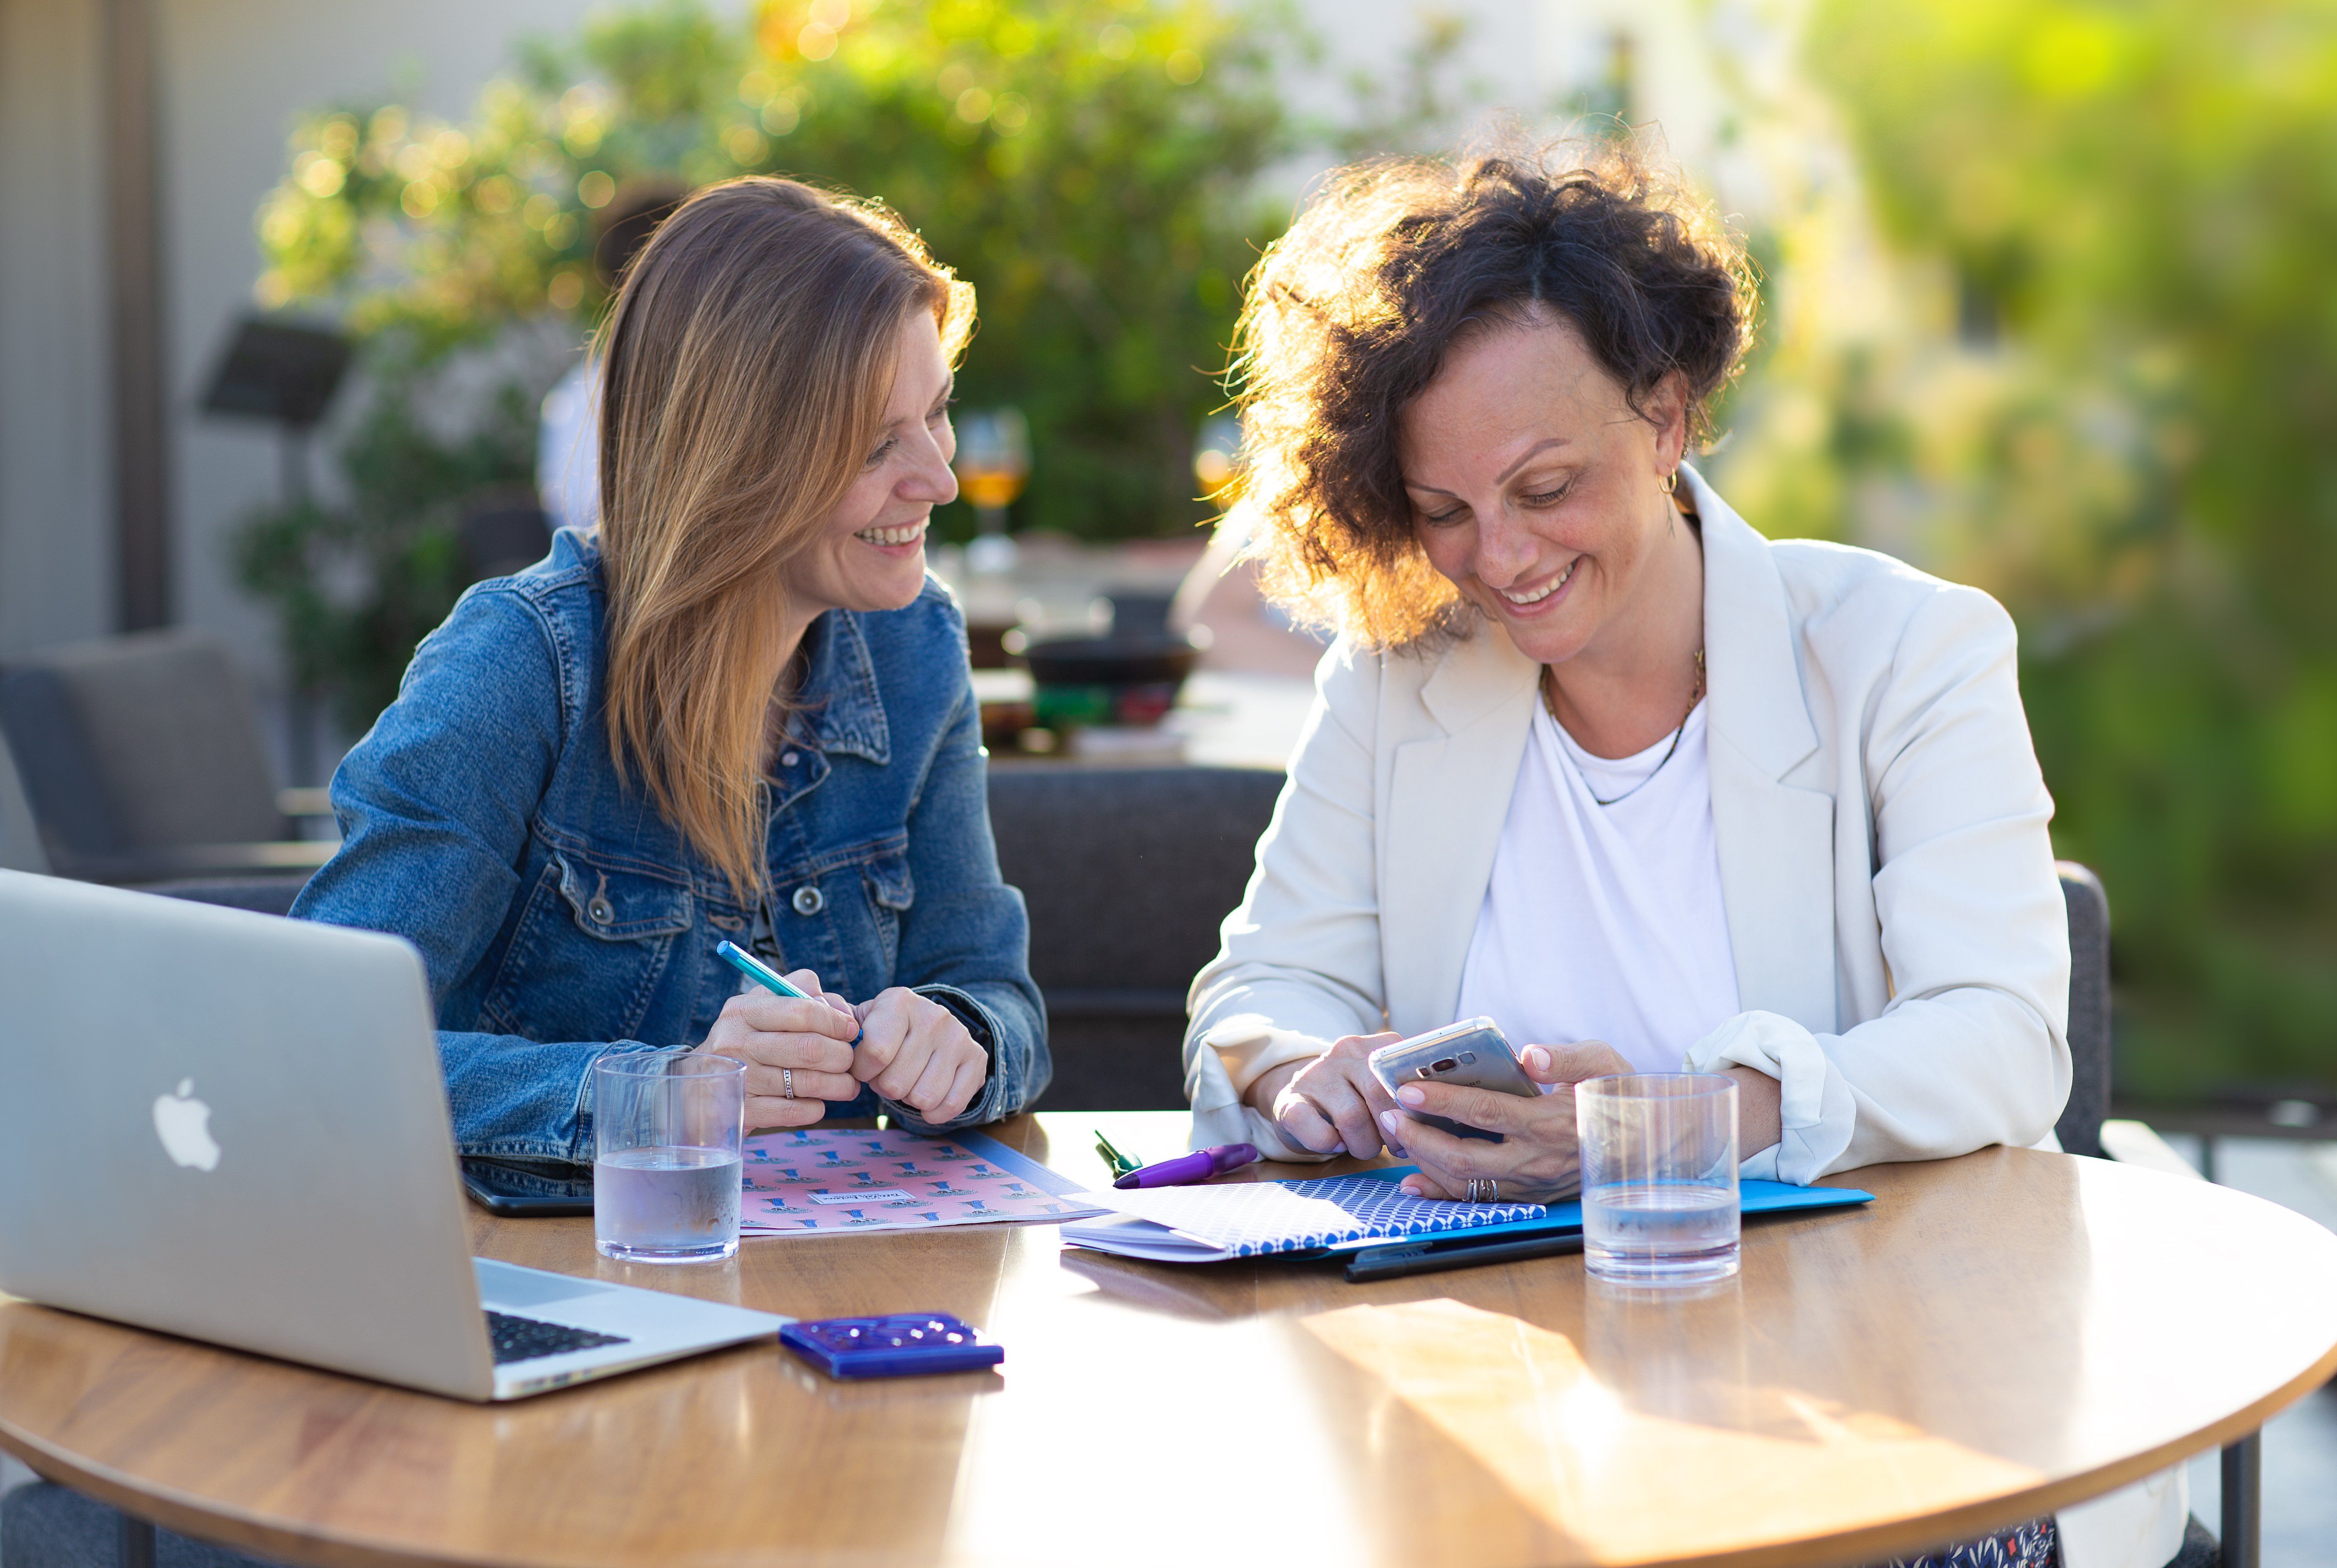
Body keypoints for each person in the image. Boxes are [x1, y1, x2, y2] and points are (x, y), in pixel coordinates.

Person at [1183, 138, 2178, 1568]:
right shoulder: (1401, 676)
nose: (1499, 560)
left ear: (1666, 417)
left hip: (1877, 1397)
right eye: (1445, 512)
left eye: (1545, 487)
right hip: (1506, 1391)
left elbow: (2006, 1042)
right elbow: (1263, 985)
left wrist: (1686, 1118)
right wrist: (1297, 1065)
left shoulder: (1909, 654)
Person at [294, 175, 1049, 1158]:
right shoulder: (519, 669)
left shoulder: (913, 648)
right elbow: (324, 1048)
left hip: (829, 1272)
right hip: (549, 1280)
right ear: (737, 461)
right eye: (875, 446)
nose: (939, 478)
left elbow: (994, 989)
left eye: (937, 413)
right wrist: (666, 1095)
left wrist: (965, 1037)